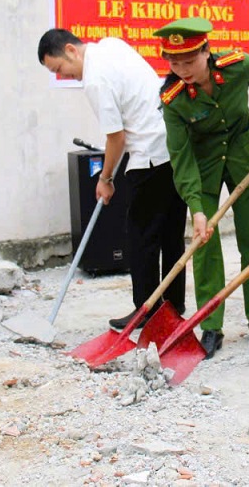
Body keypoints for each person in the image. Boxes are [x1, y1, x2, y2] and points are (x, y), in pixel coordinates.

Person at [37, 29, 187, 330]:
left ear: (71, 50)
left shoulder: (94, 78)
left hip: (149, 155)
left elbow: (116, 137)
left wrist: (105, 178)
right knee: (171, 235)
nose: (64, 76)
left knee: (141, 237)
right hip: (174, 146)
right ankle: (173, 306)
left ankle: (145, 309)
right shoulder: (111, 45)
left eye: (59, 69)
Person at [155, 17, 249, 359]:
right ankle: (211, 326)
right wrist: (196, 208)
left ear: (206, 52)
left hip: (245, 157)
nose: (181, 69)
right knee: (205, 245)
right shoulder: (173, 100)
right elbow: (181, 158)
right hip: (205, 169)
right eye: (173, 62)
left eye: (188, 60)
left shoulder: (236, 66)